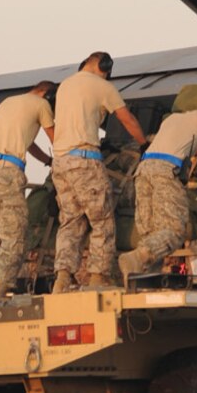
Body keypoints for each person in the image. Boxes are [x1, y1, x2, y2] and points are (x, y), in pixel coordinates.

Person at [51, 52, 146, 291]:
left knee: (70, 221)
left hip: (60, 163)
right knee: (102, 219)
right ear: (105, 67)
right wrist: (145, 144)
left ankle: (62, 277)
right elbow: (127, 120)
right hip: (85, 160)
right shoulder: (103, 86)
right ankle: (98, 277)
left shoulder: (65, 85)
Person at [119, 106, 197, 284]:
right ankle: (138, 257)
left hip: (142, 171)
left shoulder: (172, 119)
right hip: (166, 170)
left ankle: (144, 278)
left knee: (152, 232)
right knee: (175, 230)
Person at [0, 80, 57, 299]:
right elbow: (56, 138)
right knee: (14, 236)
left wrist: (48, 161)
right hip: (9, 174)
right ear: (48, 96)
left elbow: (28, 142)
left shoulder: (7, 103)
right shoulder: (41, 105)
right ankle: (4, 290)